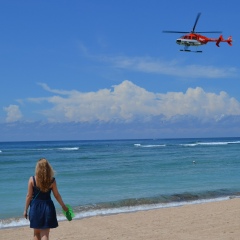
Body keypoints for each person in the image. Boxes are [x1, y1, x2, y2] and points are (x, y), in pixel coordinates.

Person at [24, 158, 68, 240]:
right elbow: (57, 195)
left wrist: (25, 210)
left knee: (36, 233)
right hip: (48, 207)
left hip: (35, 207)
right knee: (45, 233)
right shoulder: (52, 180)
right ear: (48, 168)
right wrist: (63, 206)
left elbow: (29, 196)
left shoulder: (32, 179)